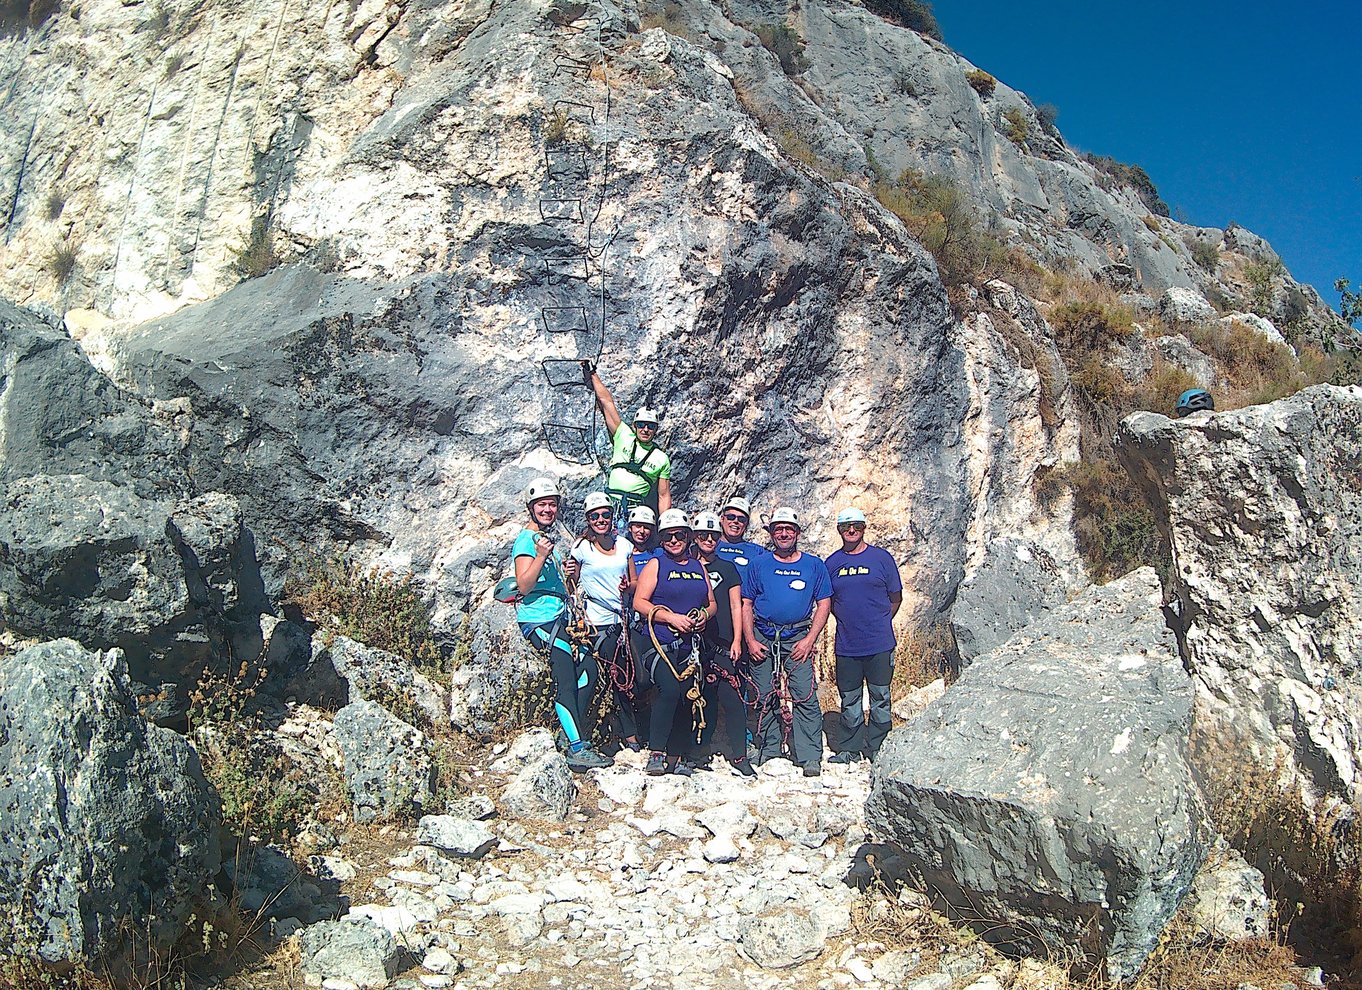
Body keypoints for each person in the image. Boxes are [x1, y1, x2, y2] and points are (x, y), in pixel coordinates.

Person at [511, 478, 612, 771]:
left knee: (589, 671)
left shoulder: (544, 539)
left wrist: (569, 574)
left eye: (552, 504)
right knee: (567, 680)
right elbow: (524, 584)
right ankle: (578, 747)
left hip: (558, 616)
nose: (548, 509)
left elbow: (559, 586)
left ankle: (569, 734)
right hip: (540, 619)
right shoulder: (526, 541)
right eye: (541, 504)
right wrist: (541, 555)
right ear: (531, 508)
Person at [741, 507, 832, 777]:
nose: (783, 533)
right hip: (763, 635)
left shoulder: (813, 565)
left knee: (804, 695)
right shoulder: (759, 564)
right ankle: (769, 749)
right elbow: (746, 603)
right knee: (762, 694)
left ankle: (809, 755)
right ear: (771, 533)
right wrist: (750, 640)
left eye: (788, 529)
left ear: (797, 533)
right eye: (777, 529)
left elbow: (824, 602)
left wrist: (810, 639)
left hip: (797, 638)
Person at [634, 510, 716, 776]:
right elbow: (640, 602)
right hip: (660, 643)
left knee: (686, 697)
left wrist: (703, 615)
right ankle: (656, 752)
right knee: (669, 690)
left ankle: (676, 756)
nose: (673, 540)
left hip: (689, 645)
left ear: (688, 537)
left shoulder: (698, 566)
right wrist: (670, 617)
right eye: (667, 536)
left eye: (678, 535)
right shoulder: (656, 565)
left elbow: (711, 603)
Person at [823, 507, 903, 764]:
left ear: (864, 527)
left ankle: (879, 746)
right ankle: (850, 748)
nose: (851, 530)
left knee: (881, 697)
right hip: (847, 645)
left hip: (879, 643)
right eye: (846, 527)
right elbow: (828, 602)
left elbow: (896, 598)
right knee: (850, 698)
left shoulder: (882, 559)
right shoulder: (832, 563)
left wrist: (878, 621)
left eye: (856, 525)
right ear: (839, 530)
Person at [570, 493, 640, 752]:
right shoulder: (581, 548)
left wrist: (627, 586)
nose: (601, 520)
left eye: (605, 515)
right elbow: (573, 584)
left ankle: (628, 733)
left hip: (621, 621)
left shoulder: (624, 546)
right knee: (593, 680)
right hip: (595, 624)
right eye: (595, 516)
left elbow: (635, 583)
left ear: (612, 518)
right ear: (588, 520)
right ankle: (581, 732)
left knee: (624, 679)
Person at [691, 511, 757, 777]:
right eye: (704, 536)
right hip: (695, 643)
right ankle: (698, 751)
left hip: (724, 643)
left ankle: (739, 754)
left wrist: (738, 640)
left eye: (713, 536)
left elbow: (736, 605)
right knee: (701, 699)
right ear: (694, 537)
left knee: (732, 699)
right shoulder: (686, 566)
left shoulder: (727, 568)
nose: (709, 540)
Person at [586, 364, 672, 518]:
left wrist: (666, 524)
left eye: (650, 426)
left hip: (635, 511)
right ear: (634, 426)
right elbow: (607, 402)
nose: (645, 429)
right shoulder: (624, 436)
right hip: (609, 505)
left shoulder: (661, 459)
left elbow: (664, 496)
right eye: (641, 425)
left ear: (656, 429)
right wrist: (592, 373)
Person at [713, 495, 768, 583]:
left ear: (746, 524)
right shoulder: (708, 546)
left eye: (741, 519)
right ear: (722, 519)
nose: (735, 521)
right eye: (731, 517)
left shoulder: (758, 551)